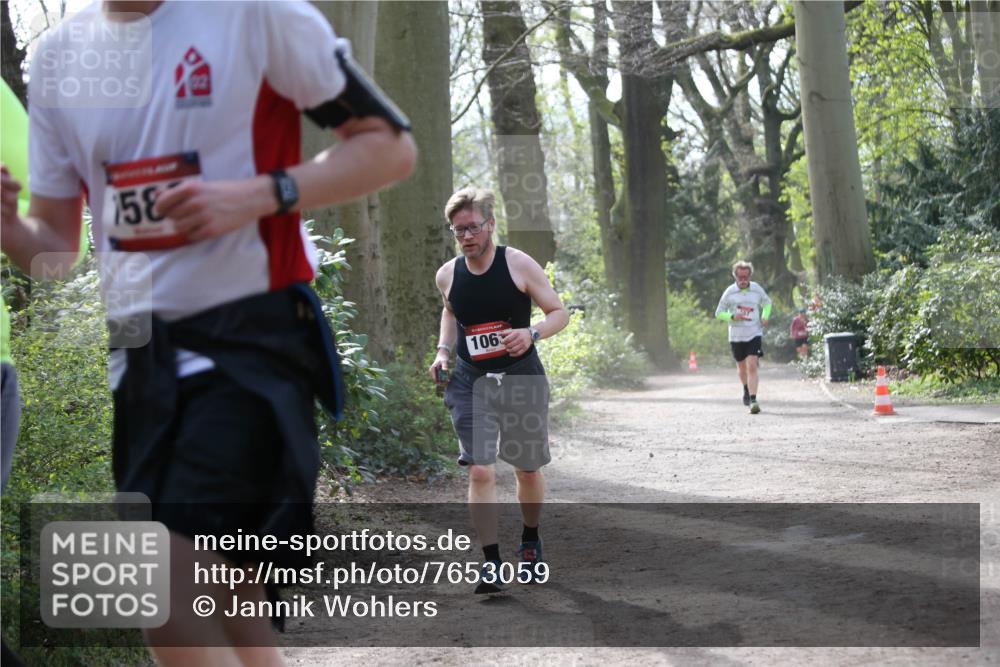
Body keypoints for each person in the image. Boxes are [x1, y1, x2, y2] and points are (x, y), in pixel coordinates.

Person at [1, 2, 415, 666]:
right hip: (137, 352)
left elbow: (390, 146)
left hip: (251, 337)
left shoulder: (255, 14)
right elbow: (56, 251)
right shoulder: (57, 59)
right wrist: (11, 230)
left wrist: (261, 192)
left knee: (164, 589)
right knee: (229, 604)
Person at [429, 187, 569, 594]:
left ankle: (530, 539)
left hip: (521, 375)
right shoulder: (448, 274)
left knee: (526, 469)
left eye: (473, 227)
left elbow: (559, 313)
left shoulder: (518, 264)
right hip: (471, 379)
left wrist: (532, 333)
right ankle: (490, 562)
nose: (467, 236)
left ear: (490, 225)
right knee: (479, 467)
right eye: (459, 230)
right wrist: (442, 352)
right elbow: (451, 311)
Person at [715, 261, 772, 414]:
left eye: (746, 276)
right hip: (736, 336)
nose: (743, 280)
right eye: (740, 277)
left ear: (750, 276)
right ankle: (746, 388)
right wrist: (733, 315)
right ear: (735, 276)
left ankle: (753, 399)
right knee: (741, 368)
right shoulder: (729, 292)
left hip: (754, 333)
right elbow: (718, 313)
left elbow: (767, 303)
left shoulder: (756, 289)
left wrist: (765, 316)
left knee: (752, 365)